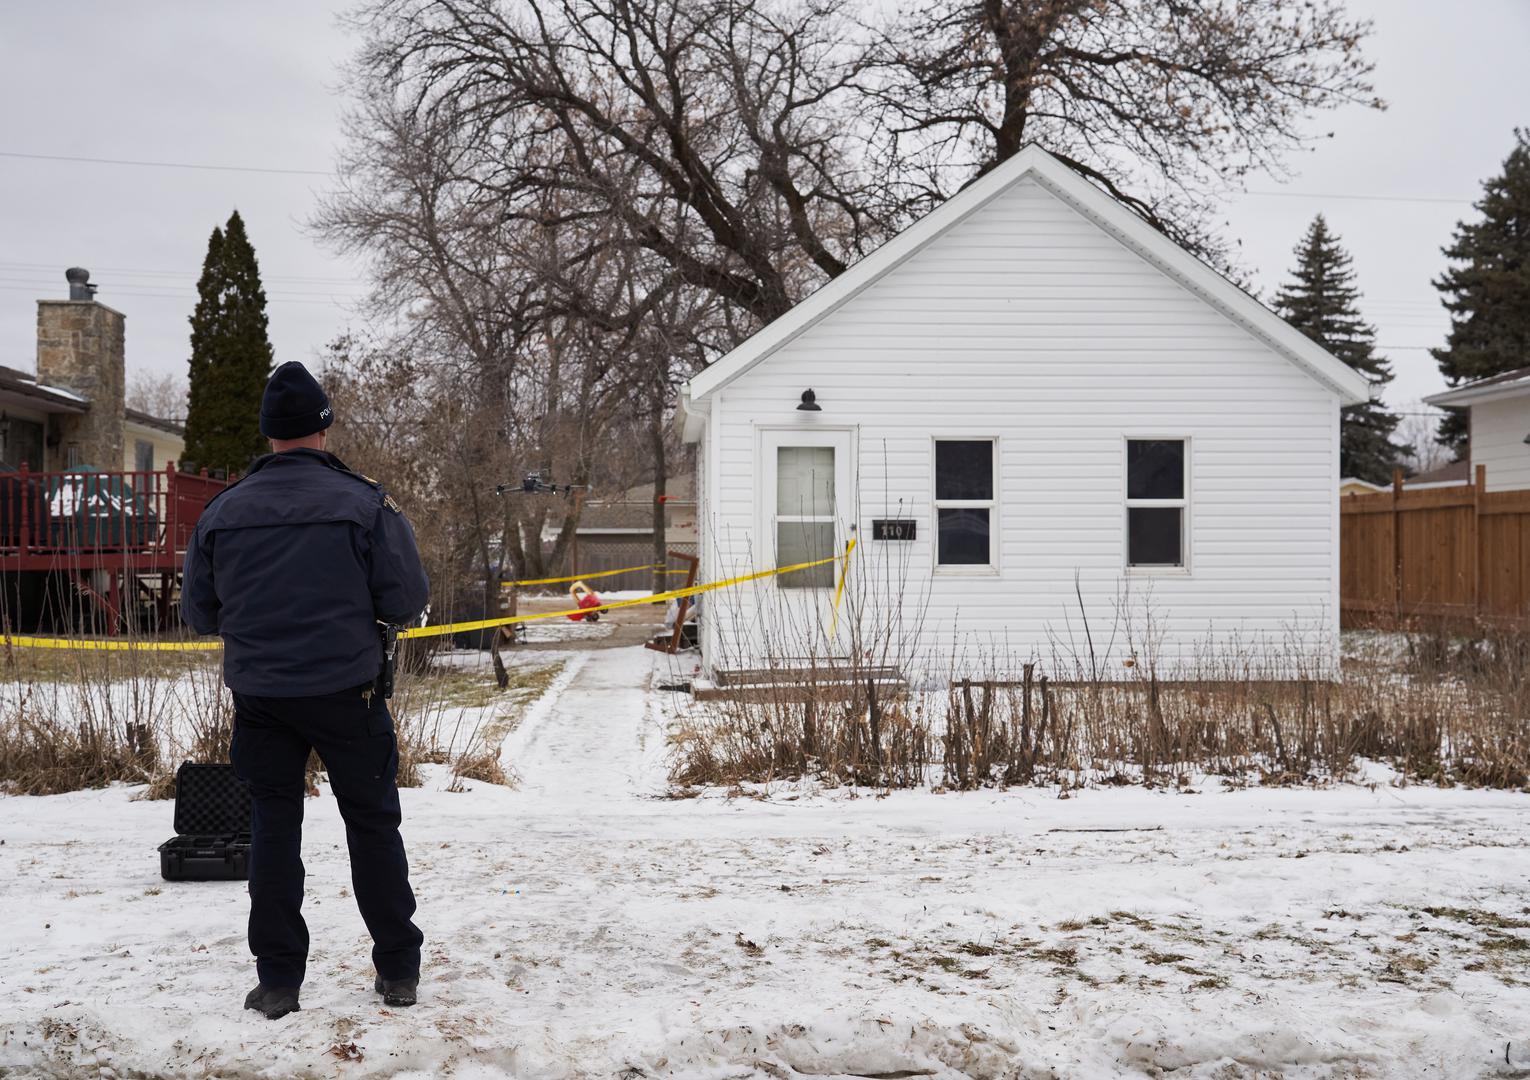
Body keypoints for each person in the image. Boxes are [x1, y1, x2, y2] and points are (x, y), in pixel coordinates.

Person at [182, 361, 430, 1021]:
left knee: (272, 828)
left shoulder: (221, 513)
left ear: (268, 435)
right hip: (349, 692)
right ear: (323, 429)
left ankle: (278, 982)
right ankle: (398, 968)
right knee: (374, 825)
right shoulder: (365, 504)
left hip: (261, 699)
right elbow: (406, 598)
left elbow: (202, 615)